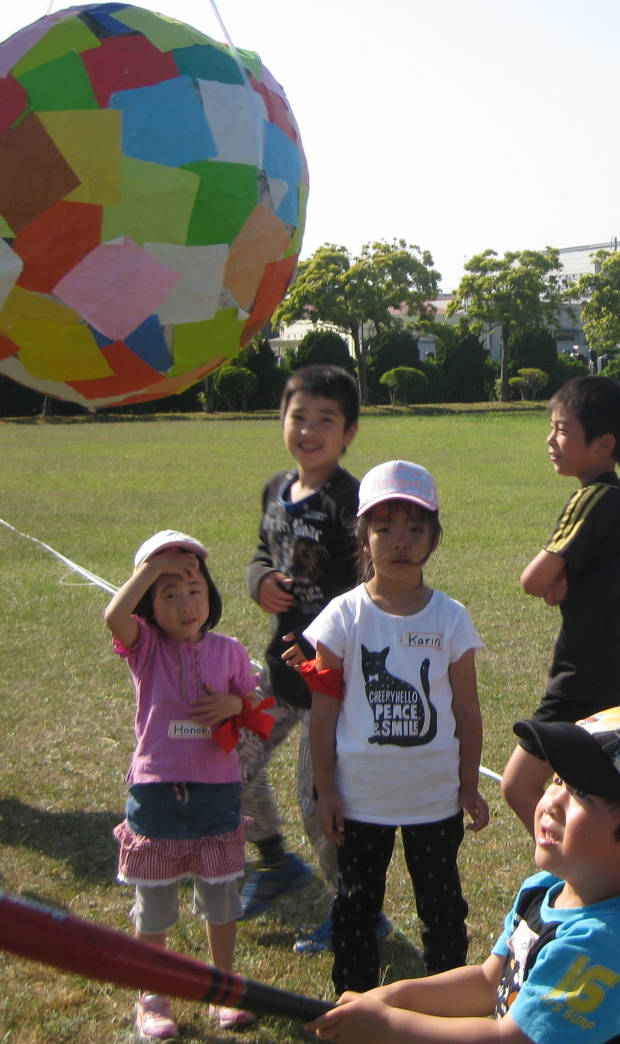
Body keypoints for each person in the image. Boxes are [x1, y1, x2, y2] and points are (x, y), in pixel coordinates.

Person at [307, 702, 620, 1044]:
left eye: (581, 794)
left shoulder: (606, 946)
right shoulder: (546, 891)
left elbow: (510, 1040)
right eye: (558, 779)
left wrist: (387, 1026)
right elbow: (489, 982)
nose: (551, 800)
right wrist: (392, 997)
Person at [301, 460, 490, 997]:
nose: (399, 541)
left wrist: (469, 782)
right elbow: (323, 710)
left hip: (434, 798)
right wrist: (327, 788)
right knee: (356, 906)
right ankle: (353, 1002)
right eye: (384, 527)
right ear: (364, 536)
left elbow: (468, 710)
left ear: (434, 537)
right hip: (361, 800)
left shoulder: (450, 619)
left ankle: (447, 1003)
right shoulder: (343, 616)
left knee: (443, 909)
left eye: (415, 528)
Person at [104, 530, 268, 1039]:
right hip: (156, 793)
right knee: (154, 904)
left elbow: (261, 713)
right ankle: (152, 995)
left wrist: (237, 705)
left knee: (221, 898)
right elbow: (114, 618)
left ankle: (220, 984)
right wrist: (152, 568)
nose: (185, 603)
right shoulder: (145, 647)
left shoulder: (230, 650)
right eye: (168, 593)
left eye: (194, 589)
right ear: (150, 607)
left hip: (216, 793)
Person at [237, 364, 363, 953]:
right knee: (230, 759)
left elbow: (371, 580)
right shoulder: (273, 488)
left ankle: (354, 908)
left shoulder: (350, 502)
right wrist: (259, 579)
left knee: (319, 802)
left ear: (348, 433)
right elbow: (262, 550)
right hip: (279, 668)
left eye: (326, 421)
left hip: (329, 681)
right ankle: (274, 860)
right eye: (298, 417)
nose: (309, 430)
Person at [503, 376, 620, 831]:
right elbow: (557, 585)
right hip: (611, 663)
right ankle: (595, 874)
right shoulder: (613, 497)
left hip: (587, 673)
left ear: (604, 444)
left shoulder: (593, 497)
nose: (551, 439)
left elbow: (533, 581)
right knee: (594, 796)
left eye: (562, 429)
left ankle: (574, 873)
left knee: (519, 785)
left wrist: (551, 580)